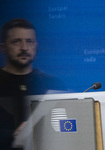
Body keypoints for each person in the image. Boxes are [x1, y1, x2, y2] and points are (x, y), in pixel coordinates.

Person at [0, 18, 66, 149]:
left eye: (29, 41)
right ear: (3, 47)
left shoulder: (53, 84)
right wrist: (13, 135)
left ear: (36, 45)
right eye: (16, 41)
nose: (24, 48)